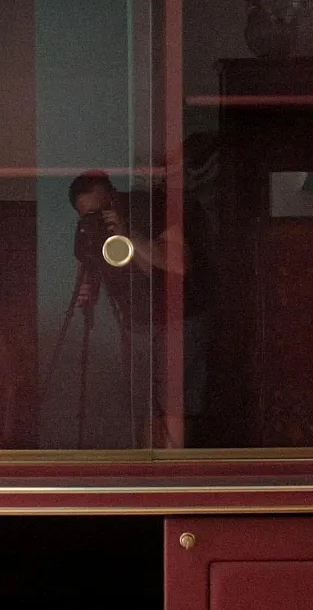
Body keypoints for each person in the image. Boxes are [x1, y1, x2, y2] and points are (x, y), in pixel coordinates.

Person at [67, 170, 215, 445]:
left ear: (113, 195)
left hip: (179, 318)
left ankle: (175, 473)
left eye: (101, 210)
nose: (96, 218)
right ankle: (147, 468)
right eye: (88, 214)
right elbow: (88, 266)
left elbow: (180, 262)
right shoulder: (90, 227)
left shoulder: (148, 207)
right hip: (136, 322)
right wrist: (88, 292)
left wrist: (128, 236)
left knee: (173, 403)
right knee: (141, 403)